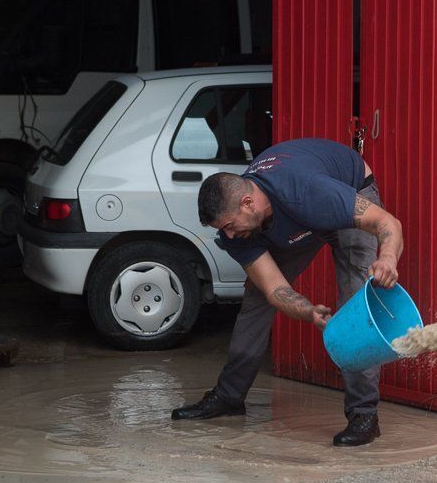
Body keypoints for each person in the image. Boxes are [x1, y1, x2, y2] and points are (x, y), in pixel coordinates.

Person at [171, 137, 403, 446]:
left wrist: (386, 258)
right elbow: (274, 288)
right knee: (254, 299)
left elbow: (387, 222)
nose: (227, 235)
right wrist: (307, 311)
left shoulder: (308, 192)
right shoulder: (240, 230)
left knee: (355, 304)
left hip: (347, 188)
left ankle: (364, 416)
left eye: (228, 225)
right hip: (294, 220)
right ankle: (228, 397)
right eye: (222, 230)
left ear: (247, 203)